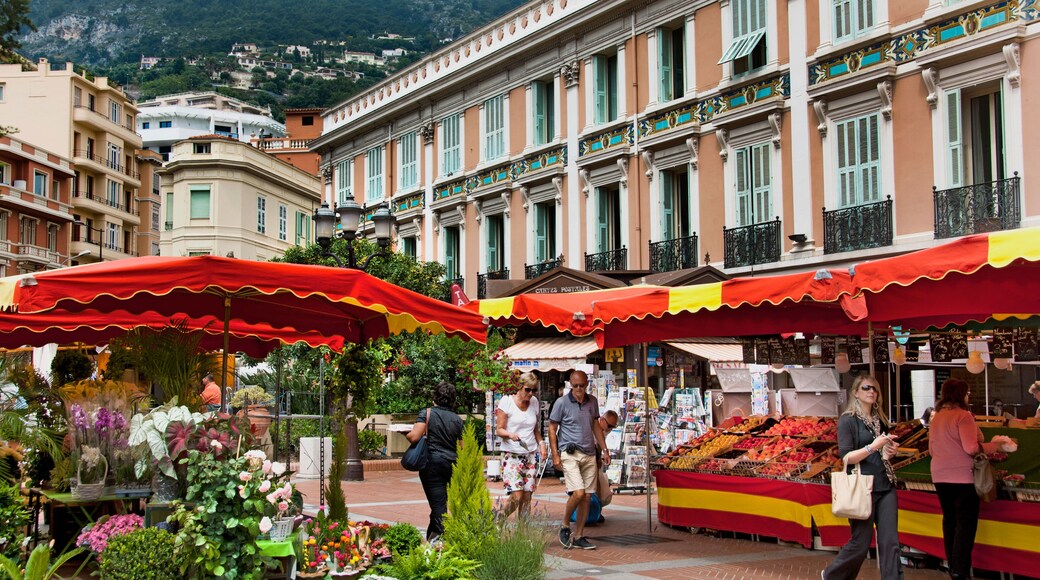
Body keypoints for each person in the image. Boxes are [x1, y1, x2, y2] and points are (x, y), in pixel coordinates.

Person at [929, 378, 1015, 580]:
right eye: (967, 393)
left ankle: (953, 566)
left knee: (949, 520)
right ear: (961, 394)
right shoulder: (963, 416)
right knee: (965, 523)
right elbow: (971, 448)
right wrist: (997, 446)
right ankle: (960, 570)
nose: (968, 396)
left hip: (939, 475)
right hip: (963, 476)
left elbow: (932, 450)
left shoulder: (937, 417)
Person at [823, 374, 902, 580]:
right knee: (861, 542)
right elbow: (846, 457)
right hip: (862, 486)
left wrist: (889, 451)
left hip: (885, 483)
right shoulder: (848, 420)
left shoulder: (880, 420)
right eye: (866, 388)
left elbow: (881, 454)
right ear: (856, 392)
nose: (871, 392)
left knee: (890, 541)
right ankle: (833, 575)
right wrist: (872, 447)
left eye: (874, 389)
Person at [548, 370, 609, 550]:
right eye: (575, 386)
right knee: (579, 493)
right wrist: (555, 454)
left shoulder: (592, 402)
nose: (579, 389)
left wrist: (604, 449)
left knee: (587, 496)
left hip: (589, 453)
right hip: (570, 453)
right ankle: (565, 525)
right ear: (570, 385)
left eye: (582, 385)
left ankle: (579, 535)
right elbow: (552, 428)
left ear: (587, 384)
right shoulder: (561, 403)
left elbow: (595, 425)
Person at [405, 381, 464, 542]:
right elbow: (463, 448)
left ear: (435, 397)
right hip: (452, 465)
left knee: (438, 505)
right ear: (453, 400)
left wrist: (405, 433)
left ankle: (439, 542)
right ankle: (432, 537)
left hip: (432, 464)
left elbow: (414, 437)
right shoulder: (458, 420)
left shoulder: (427, 413)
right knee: (439, 503)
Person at [495, 371, 546, 518]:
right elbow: (499, 429)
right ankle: (500, 518)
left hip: (529, 453)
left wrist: (541, 443)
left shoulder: (534, 402)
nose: (530, 393)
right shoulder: (507, 401)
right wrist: (510, 434)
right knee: (517, 495)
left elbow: (535, 429)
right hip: (512, 453)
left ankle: (523, 530)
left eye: (534, 390)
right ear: (519, 387)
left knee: (527, 496)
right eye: (527, 389)